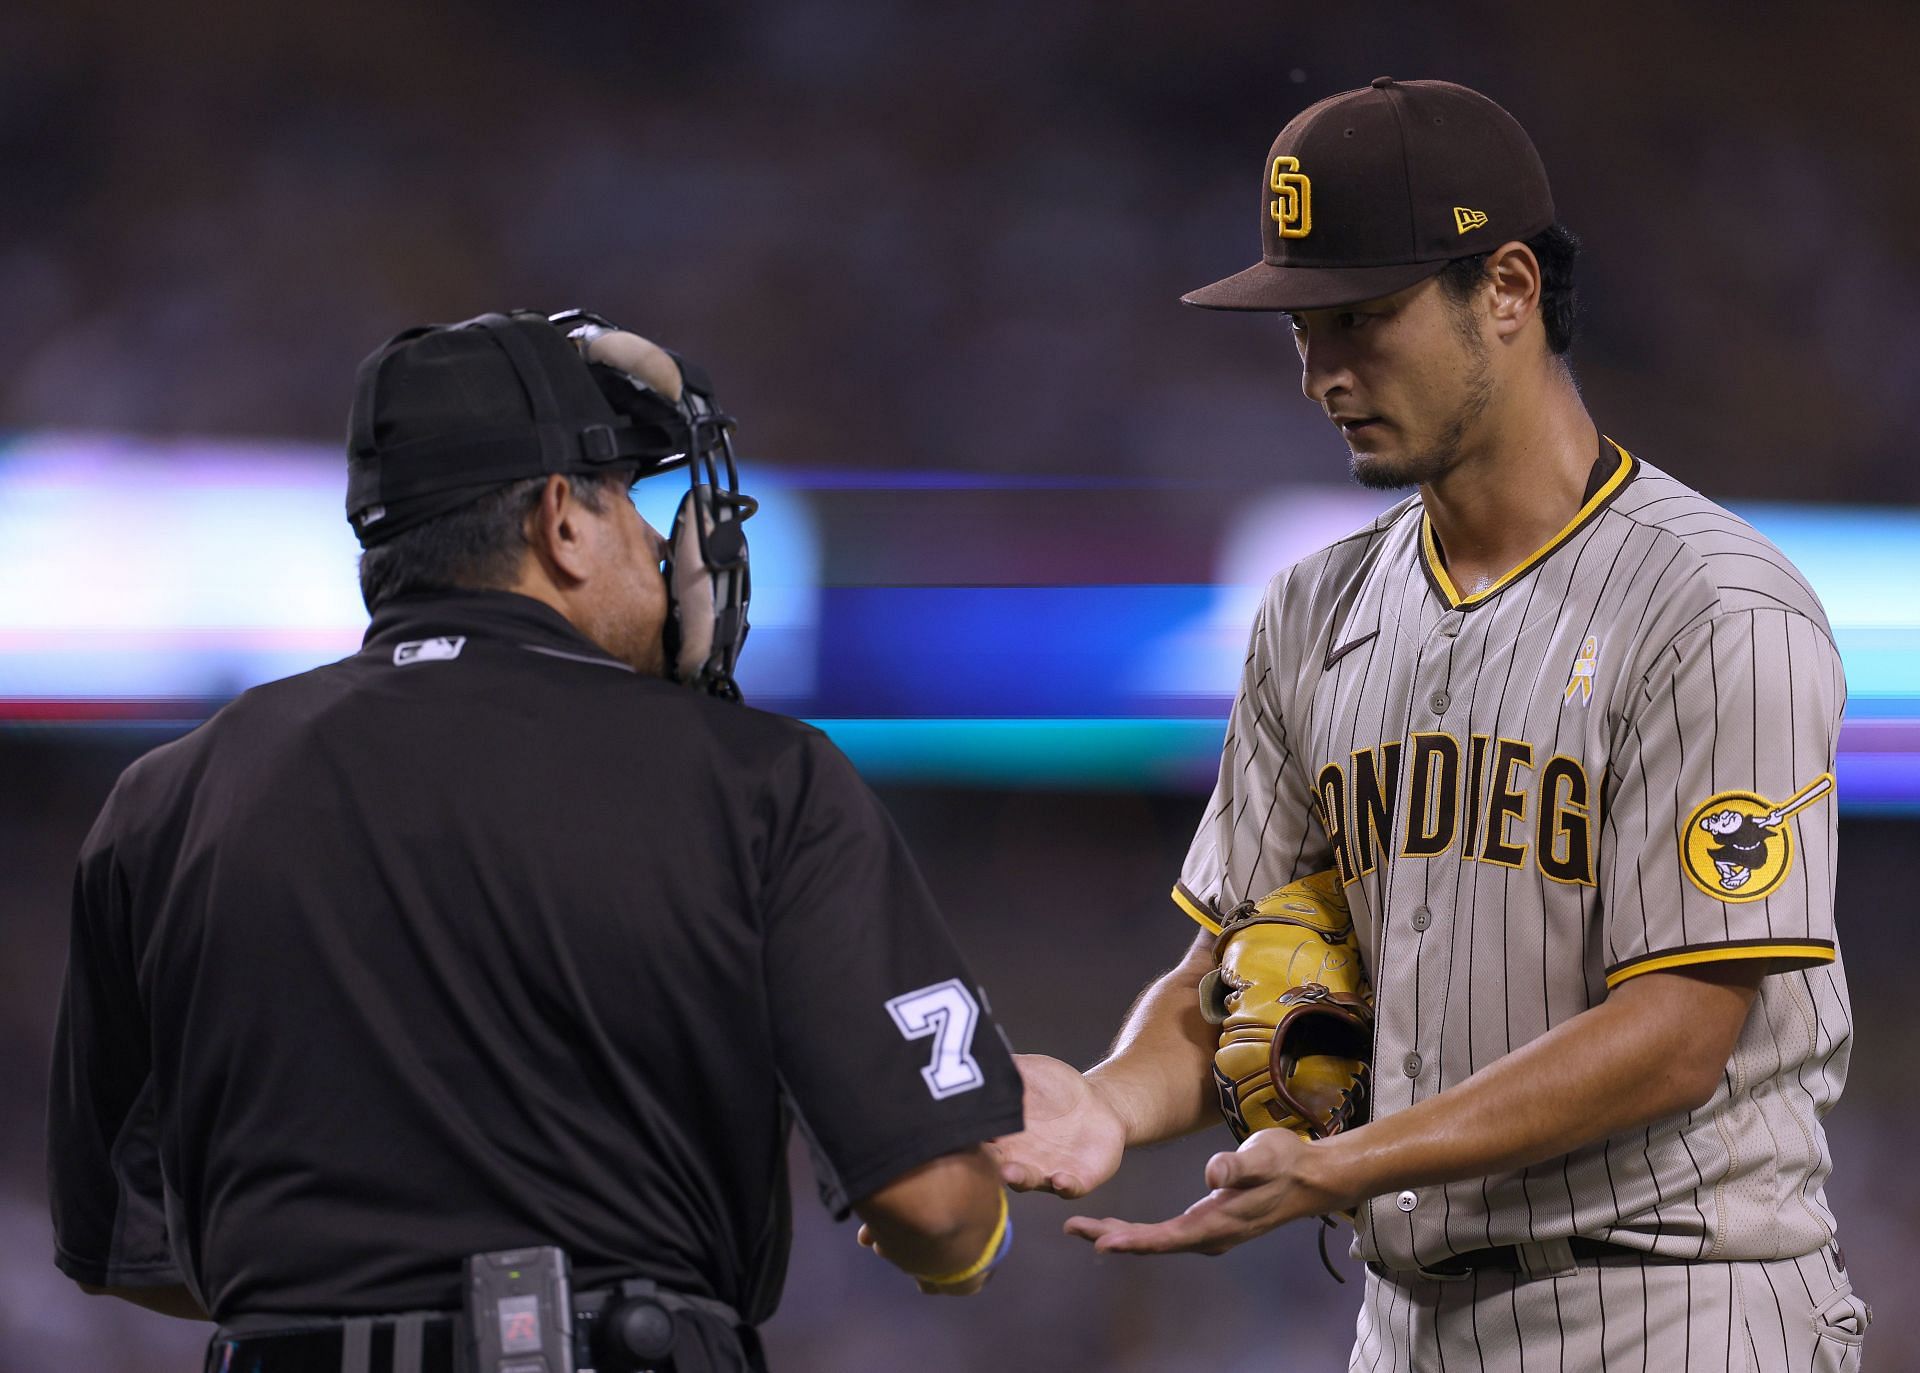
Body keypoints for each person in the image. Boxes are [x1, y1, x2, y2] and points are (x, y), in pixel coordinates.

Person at [990, 78, 1869, 1370]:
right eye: (1303, 326)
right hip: (1407, 1319)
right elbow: (1247, 962)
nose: (1322, 372)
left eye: (1363, 319)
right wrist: (1107, 1102)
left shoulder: (1711, 603)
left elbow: (1682, 1027)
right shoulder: (1314, 608)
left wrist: (1352, 1160)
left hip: (1679, 1307)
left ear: (1506, 289)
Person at [47, 310, 1022, 1373]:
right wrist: (971, 1213)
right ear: (560, 516)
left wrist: (345, 1301)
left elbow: (125, 1247)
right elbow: (933, 1207)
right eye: (633, 503)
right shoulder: (754, 774)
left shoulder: (166, 796)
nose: (660, 543)